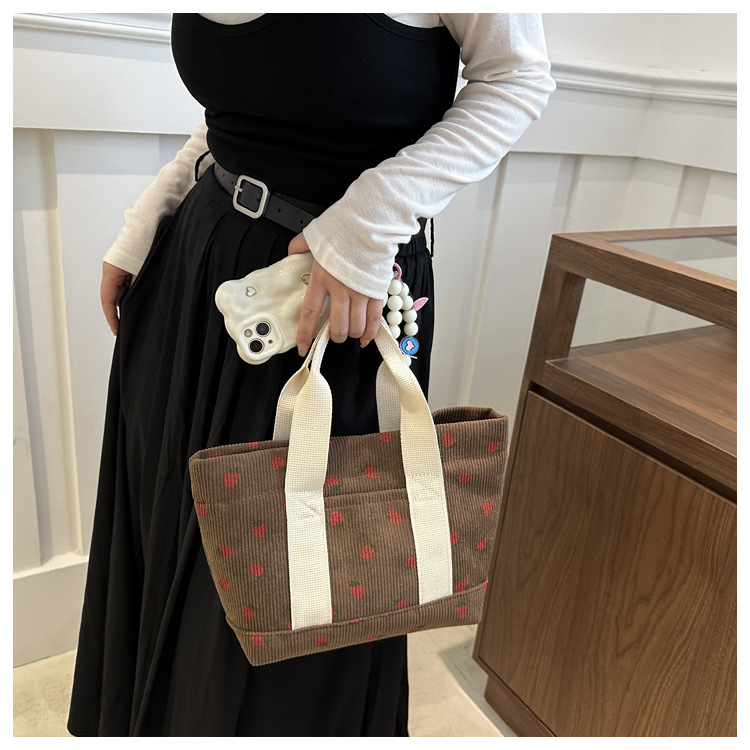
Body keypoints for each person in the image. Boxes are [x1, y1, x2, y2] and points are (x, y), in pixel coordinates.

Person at [67, 13, 554, 737]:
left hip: (338, 297)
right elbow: (243, 105)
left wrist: (365, 226)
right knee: (176, 532)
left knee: (299, 580)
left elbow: (516, 77)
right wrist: (151, 216)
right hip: (199, 273)